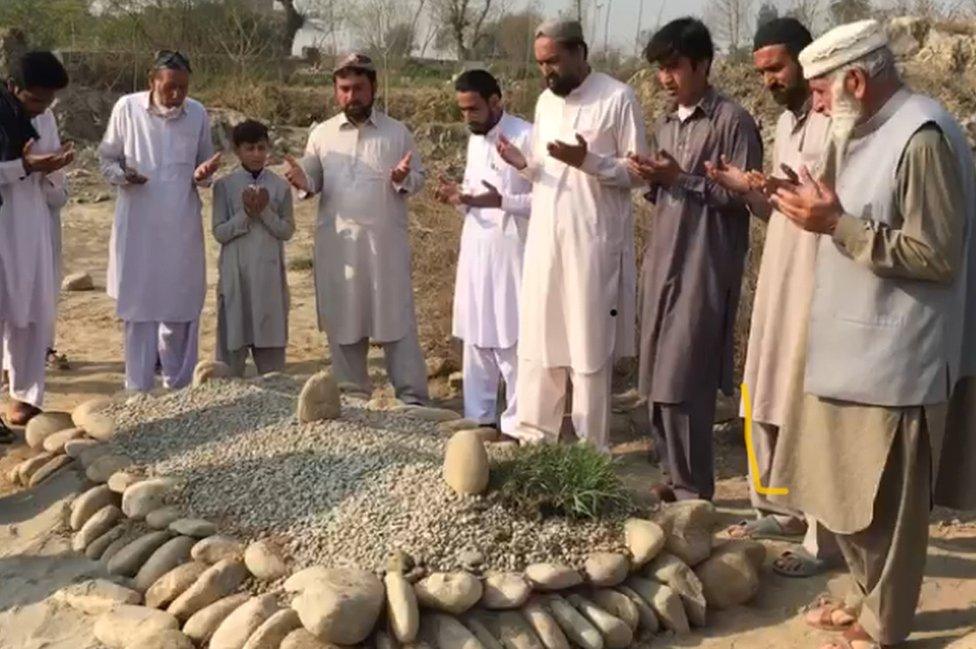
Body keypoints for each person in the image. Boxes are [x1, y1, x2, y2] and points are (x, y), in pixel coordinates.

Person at [767, 20, 976, 649]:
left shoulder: (922, 136)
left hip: (898, 355)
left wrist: (837, 224)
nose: (819, 104)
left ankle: (885, 627)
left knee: (890, 505)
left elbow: (938, 253)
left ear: (855, 79)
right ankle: (862, 598)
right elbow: (845, 210)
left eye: (824, 91)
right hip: (849, 345)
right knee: (845, 493)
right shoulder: (860, 128)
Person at [705, 18, 839, 578]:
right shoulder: (786, 123)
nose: (768, 81)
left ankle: (823, 538)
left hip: (821, 282)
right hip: (780, 276)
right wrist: (751, 190)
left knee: (811, 401)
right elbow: (778, 208)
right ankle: (781, 510)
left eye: (777, 68)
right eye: (761, 72)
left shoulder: (838, 126)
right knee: (767, 389)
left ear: (807, 62)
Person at [494, 20, 648, 452]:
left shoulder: (618, 98)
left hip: (593, 243)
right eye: (542, 63)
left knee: (587, 343)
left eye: (554, 61)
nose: (548, 71)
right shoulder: (545, 102)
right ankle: (534, 440)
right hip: (546, 240)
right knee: (541, 338)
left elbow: (639, 171)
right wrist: (521, 163)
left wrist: (592, 162)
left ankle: (591, 448)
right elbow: (546, 170)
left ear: (580, 53)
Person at [631, 18, 762, 502]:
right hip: (664, 260)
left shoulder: (732, 121)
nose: (666, 78)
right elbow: (667, 189)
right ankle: (673, 474)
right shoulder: (667, 121)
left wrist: (680, 178)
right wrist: (654, 175)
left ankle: (694, 491)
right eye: (661, 70)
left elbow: (746, 196)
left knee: (685, 378)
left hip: (705, 264)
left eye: (674, 67)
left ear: (702, 65)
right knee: (655, 375)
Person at [283, 53, 428, 404]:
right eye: (345, 89)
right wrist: (301, 180)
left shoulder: (397, 133)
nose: (352, 96)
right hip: (339, 248)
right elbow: (311, 182)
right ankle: (352, 395)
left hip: (385, 248)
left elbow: (418, 179)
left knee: (396, 318)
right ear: (336, 92)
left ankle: (413, 399)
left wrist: (402, 177)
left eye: (359, 88)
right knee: (344, 317)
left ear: (373, 88)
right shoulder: (321, 135)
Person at [99, 50, 221, 393]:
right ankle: (137, 390)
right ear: (152, 82)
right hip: (138, 225)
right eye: (170, 87)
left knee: (181, 307)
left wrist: (203, 175)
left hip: (181, 225)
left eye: (183, 87)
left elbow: (203, 169)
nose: (177, 95)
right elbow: (106, 159)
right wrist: (123, 175)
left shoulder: (197, 113)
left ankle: (179, 388)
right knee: (139, 309)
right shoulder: (127, 108)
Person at [435, 70, 532, 435]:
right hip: (476, 251)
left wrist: (502, 201)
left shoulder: (526, 135)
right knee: (476, 334)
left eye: (473, 109)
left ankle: (519, 426)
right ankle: (480, 419)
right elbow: (475, 201)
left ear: (496, 101)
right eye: (461, 110)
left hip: (514, 256)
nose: (467, 117)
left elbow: (548, 201)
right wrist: (456, 199)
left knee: (512, 339)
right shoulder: (475, 140)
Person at [0, 51, 72, 437]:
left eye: (48, 101)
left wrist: (54, 171)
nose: (42, 108)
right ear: (13, 88)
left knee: (32, 309)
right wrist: (24, 167)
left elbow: (54, 191)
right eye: (35, 99)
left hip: (31, 225)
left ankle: (25, 395)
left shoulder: (44, 118)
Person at [212, 119, 294, 377]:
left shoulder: (280, 186)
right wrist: (246, 214)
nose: (257, 154)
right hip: (236, 274)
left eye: (261, 148)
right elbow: (220, 233)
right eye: (250, 148)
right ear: (237, 150)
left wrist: (265, 211)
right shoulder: (224, 186)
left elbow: (287, 230)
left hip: (268, 276)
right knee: (232, 343)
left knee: (271, 354)